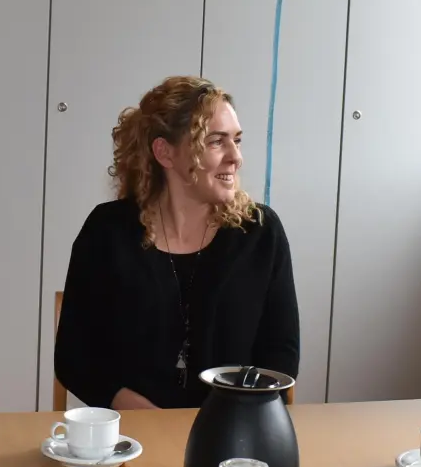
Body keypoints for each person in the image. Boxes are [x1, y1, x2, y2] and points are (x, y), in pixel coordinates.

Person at [55, 76, 299, 410]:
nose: (235, 157)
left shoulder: (260, 232)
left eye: (237, 141)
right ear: (165, 152)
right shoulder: (107, 231)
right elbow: (74, 356)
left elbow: (280, 354)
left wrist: (227, 422)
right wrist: (144, 416)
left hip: (232, 437)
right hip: (132, 434)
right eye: (216, 141)